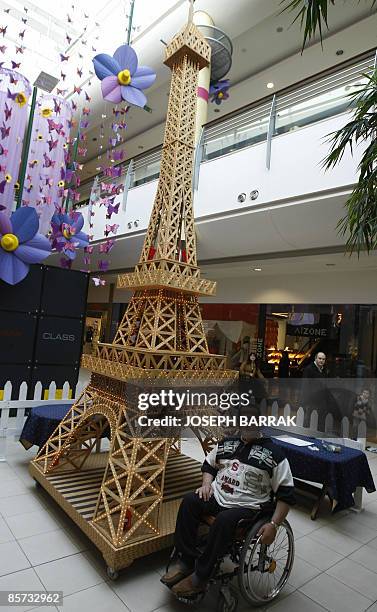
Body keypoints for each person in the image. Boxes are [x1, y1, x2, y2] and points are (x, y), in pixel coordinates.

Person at [161, 409, 295, 599]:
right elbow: (209, 464)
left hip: (247, 508)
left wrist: (274, 524)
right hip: (218, 496)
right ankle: (186, 560)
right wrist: (206, 484)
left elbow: (286, 493)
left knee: (224, 520)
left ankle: (201, 576)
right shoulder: (227, 443)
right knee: (190, 501)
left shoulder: (275, 454)